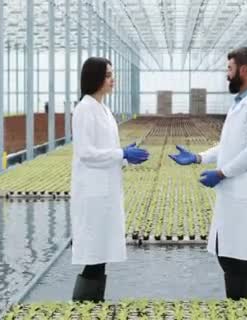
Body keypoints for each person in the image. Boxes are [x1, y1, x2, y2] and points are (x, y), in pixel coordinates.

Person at [170, 47, 247, 300]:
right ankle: (236, 308)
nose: (226, 75)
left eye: (229, 69)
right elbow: (229, 145)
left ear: (244, 70)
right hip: (233, 194)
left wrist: (220, 173)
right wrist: (199, 157)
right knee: (228, 257)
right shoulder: (240, 104)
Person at [70, 57, 149, 302]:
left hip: (105, 192)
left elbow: (106, 150)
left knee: (100, 256)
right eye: (107, 75)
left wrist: (124, 155)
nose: (112, 80)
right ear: (94, 78)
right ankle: (83, 308)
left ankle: (94, 305)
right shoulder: (85, 109)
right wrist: (121, 153)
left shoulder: (102, 108)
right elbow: (86, 153)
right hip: (93, 194)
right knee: (93, 257)